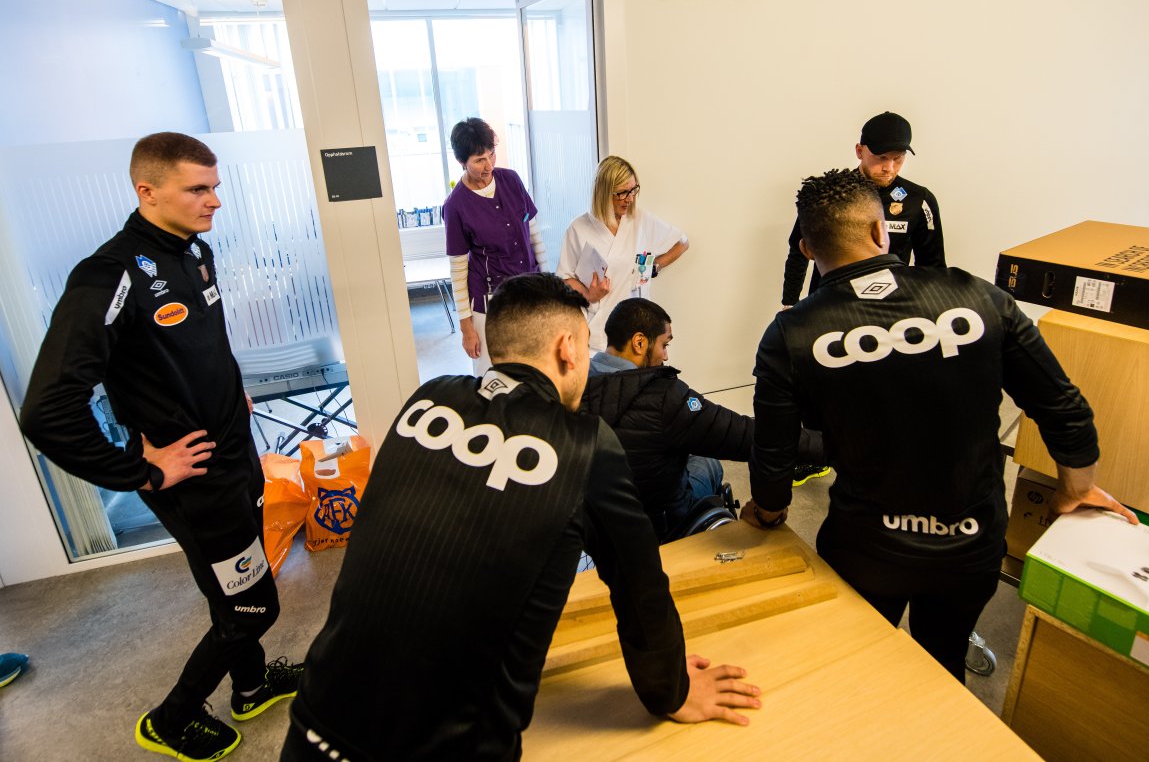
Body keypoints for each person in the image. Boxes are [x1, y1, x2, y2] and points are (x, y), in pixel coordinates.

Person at [283, 274, 760, 761]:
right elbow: (640, 587)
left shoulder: (428, 398)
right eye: (586, 345)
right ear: (567, 349)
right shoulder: (584, 445)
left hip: (311, 728)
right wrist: (673, 691)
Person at [744, 168, 1137, 682]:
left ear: (807, 248)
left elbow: (773, 451)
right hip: (971, 547)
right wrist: (1076, 487)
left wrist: (768, 511)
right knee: (943, 669)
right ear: (880, 231)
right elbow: (1063, 406)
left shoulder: (791, 334)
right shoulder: (980, 299)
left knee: (856, 669)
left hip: (866, 549)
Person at [20, 132, 301, 760]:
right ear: (147, 191)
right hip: (194, 481)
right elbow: (47, 410)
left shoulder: (195, 251)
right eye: (198, 189)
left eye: (215, 187)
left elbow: (198, 346)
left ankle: (251, 687)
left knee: (238, 584)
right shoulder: (106, 275)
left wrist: (230, 389)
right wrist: (140, 472)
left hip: (236, 457)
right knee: (252, 609)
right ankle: (172, 719)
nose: (215, 201)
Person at [582, 297, 823, 542]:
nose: (665, 356)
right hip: (658, 523)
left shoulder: (575, 383)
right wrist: (826, 446)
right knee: (709, 462)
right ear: (639, 342)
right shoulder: (664, 397)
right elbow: (745, 435)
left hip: (597, 525)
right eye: (664, 344)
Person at [780, 111, 945, 308]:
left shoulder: (918, 200)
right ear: (859, 151)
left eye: (898, 158)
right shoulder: (829, 192)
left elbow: (932, 268)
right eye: (881, 157)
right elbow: (798, 251)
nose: (889, 168)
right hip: (829, 305)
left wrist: (928, 311)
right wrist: (789, 304)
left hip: (888, 309)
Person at [444, 117, 548, 375]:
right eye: (479, 160)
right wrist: (466, 328)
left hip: (529, 292)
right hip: (489, 302)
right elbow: (458, 271)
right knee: (493, 374)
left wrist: (548, 283)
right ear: (461, 162)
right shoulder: (455, 206)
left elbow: (533, 234)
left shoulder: (511, 180)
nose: (489, 165)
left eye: (491, 154)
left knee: (533, 368)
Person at [557, 155, 689, 353]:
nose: (630, 198)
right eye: (622, 193)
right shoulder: (579, 228)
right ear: (603, 192)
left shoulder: (640, 220)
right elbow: (565, 278)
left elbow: (682, 243)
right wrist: (588, 294)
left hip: (638, 325)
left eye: (633, 190)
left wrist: (654, 267)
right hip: (597, 330)